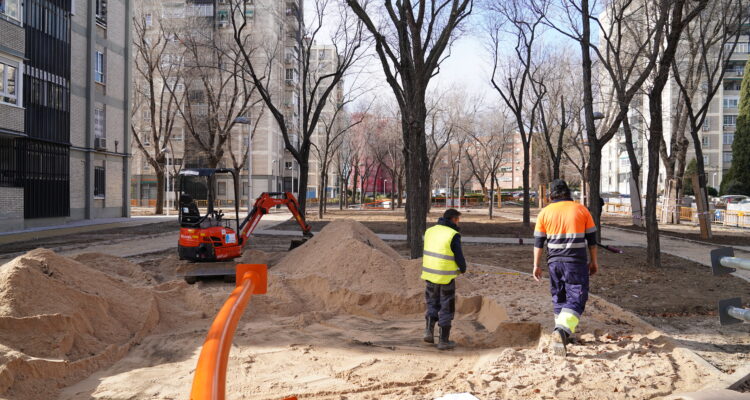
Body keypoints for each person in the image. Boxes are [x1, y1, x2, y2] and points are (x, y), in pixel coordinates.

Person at [533, 179, 599, 357]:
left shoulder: (544, 213)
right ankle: (562, 331)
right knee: (577, 296)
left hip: (554, 262)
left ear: (551, 195)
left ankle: (562, 335)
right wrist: (593, 262)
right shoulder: (581, 209)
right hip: (575, 262)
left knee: (559, 295)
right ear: (568, 192)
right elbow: (592, 241)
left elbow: (538, 243)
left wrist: (536, 265)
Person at [421, 208, 467, 350]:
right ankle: (443, 341)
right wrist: (463, 268)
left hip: (430, 274)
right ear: (453, 219)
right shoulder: (453, 234)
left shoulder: (430, 231)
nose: (458, 222)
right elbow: (458, 255)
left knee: (432, 303)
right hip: (445, 276)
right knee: (446, 306)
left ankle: (429, 331)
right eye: (458, 219)